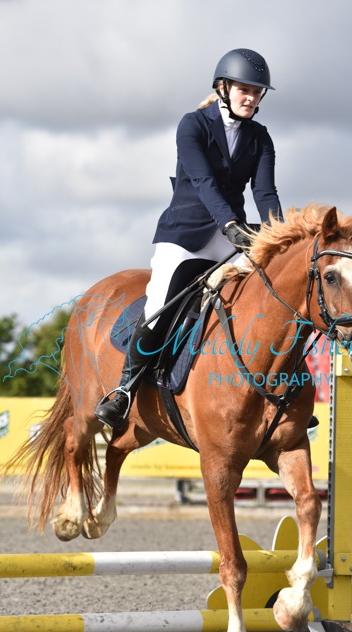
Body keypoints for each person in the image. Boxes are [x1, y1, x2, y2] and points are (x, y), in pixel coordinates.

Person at [95, 48, 283, 429]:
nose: (251, 98)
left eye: (256, 92)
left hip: (232, 237)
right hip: (184, 235)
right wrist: (230, 224)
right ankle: (125, 389)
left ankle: (283, 393)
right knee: (159, 306)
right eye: (244, 90)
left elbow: (265, 193)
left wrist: (281, 235)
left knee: (273, 294)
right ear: (223, 88)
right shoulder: (192, 125)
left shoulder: (260, 138)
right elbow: (203, 182)